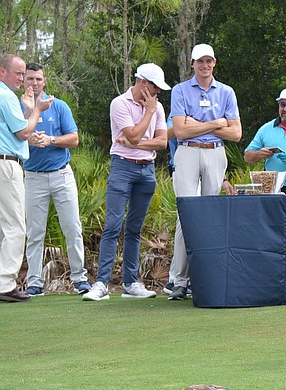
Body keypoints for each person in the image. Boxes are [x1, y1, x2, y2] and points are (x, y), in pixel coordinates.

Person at [83, 64, 169, 301]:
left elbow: (162, 142)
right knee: (112, 226)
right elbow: (131, 134)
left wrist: (136, 144)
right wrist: (147, 116)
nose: (157, 93)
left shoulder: (157, 106)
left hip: (147, 171)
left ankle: (130, 283)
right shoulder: (119, 103)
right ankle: (101, 283)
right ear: (143, 83)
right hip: (122, 167)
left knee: (134, 229)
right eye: (154, 87)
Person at [168, 44, 240, 301]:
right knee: (186, 214)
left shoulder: (227, 92)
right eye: (200, 61)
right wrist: (215, 123)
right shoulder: (180, 90)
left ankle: (202, 279)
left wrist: (197, 124)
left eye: (208, 61)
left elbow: (236, 133)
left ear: (214, 63)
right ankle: (179, 280)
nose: (204, 65)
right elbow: (180, 131)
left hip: (215, 152)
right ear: (192, 63)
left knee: (209, 216)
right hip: (187, 152)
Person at [21, 63, 91, 296]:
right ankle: (34, 282)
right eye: (29, 79)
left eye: (38, 79)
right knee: (35, 231)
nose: (34, 83)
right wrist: (29, 140)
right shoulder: (17, 107)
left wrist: (50, 140)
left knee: (72, 227)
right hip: (33, 176)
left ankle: (80, 278)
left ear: (45, 80)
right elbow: (14, 136)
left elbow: (74, 139)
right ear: (24, 81)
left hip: (61, 174)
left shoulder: (58, 106)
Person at [0, 54, 53, 302]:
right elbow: (22, 132)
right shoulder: (5, 95)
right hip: (7, 165)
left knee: (6, 225)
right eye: (18, 73)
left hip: (6, 161)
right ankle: (5, 284)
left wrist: (28, 113)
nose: (22, 79)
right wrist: (38, 110)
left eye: (24, 74)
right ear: (2, 72)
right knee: (15, 226)